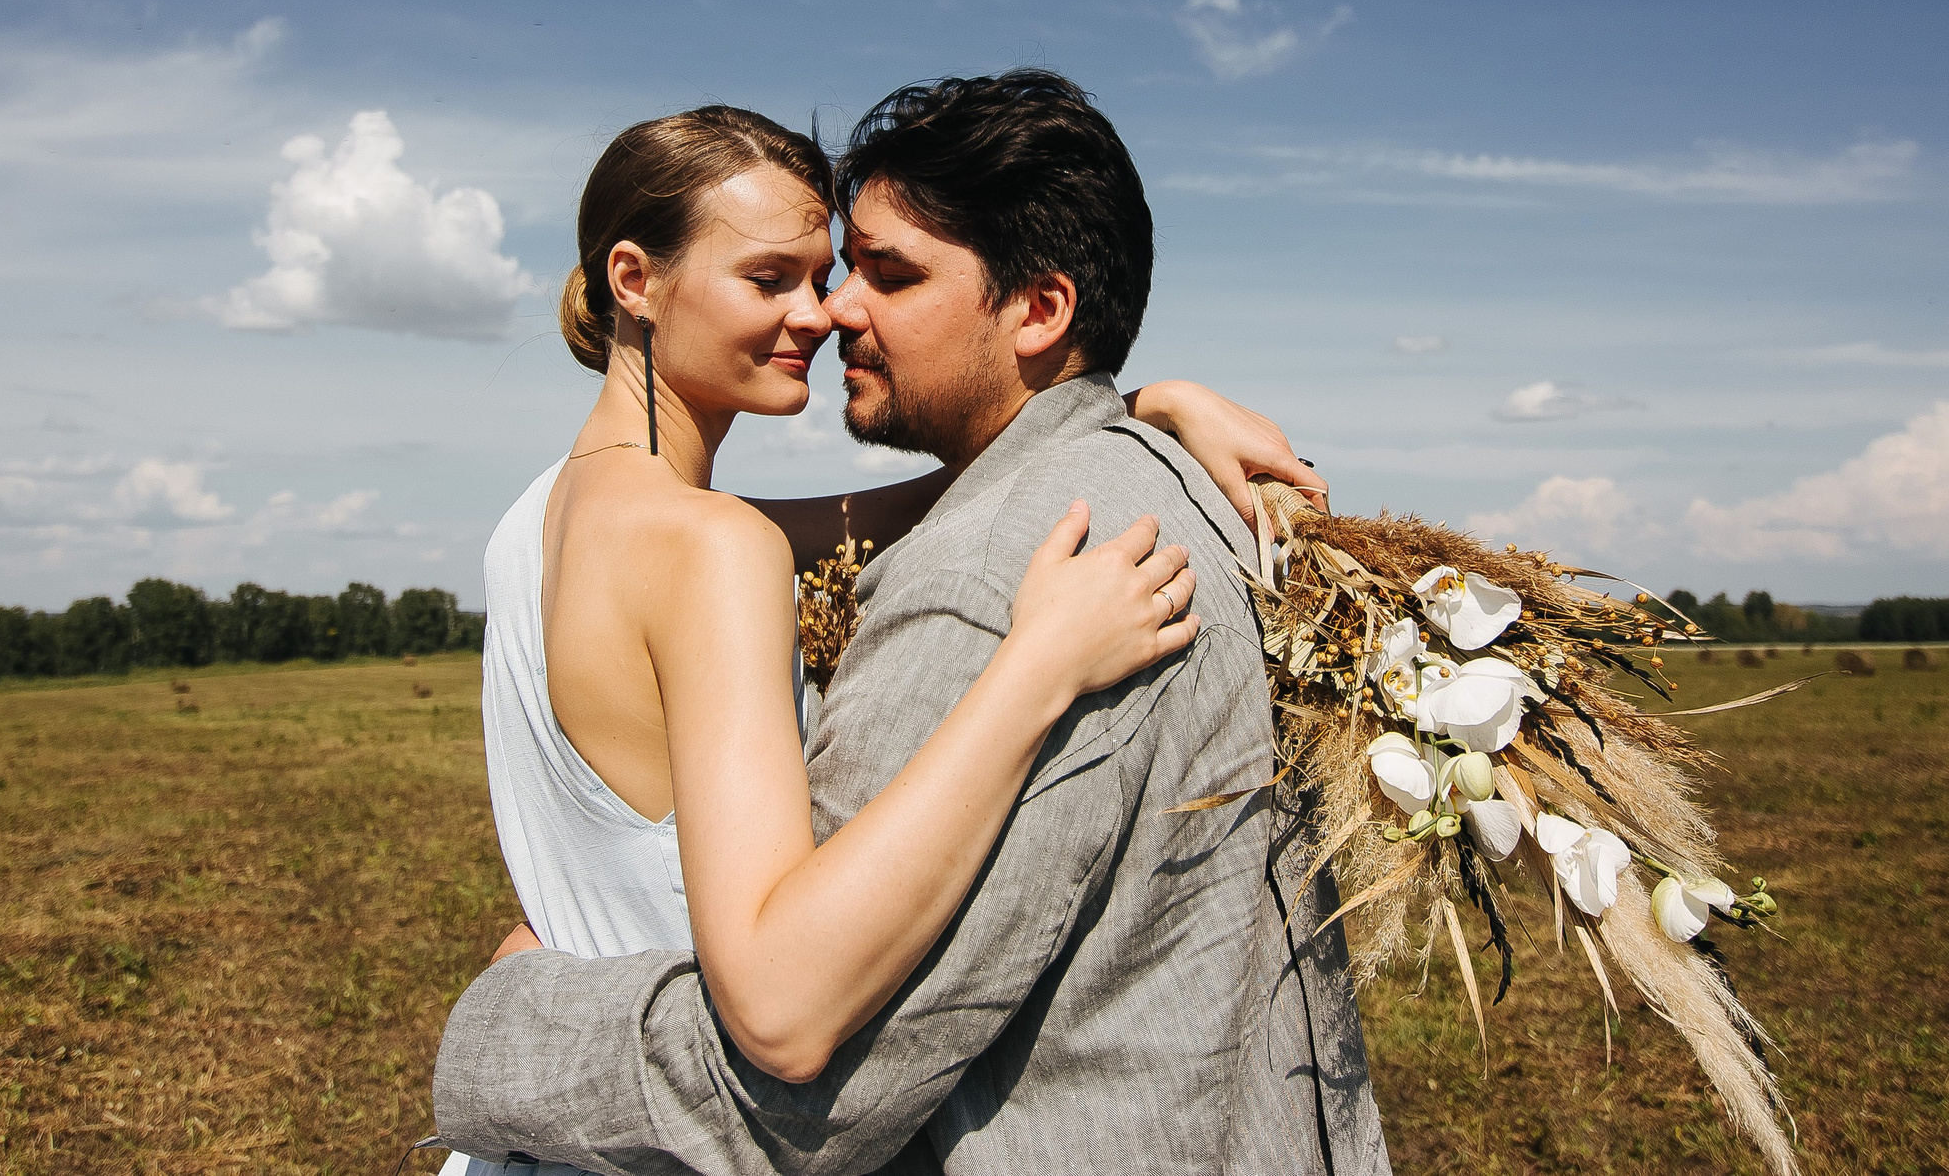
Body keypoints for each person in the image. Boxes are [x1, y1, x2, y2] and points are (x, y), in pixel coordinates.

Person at [435, 72, 1388, 1176]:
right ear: (635, 281)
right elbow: (792, 1019)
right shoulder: (725, 549)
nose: (824, 311)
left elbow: (868, 516)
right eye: (772, 277)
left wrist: (1139, 408)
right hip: (647, 1133)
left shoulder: (539, 520)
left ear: (1042, 309)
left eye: (857, 273)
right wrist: (1037, 661)